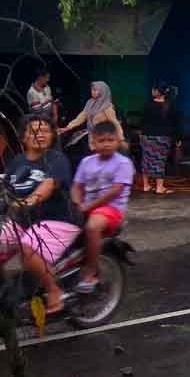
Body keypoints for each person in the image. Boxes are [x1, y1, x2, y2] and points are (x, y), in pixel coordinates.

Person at [0, 114, 79, 314]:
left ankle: (54, 290)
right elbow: (2, 187)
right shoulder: (18, 161)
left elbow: (48, 186)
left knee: (28, 247)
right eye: (33, 131)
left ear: (52, 136)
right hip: (25, 220)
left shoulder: (56, 159)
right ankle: (3, 289)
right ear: (23, 137)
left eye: (45, 131)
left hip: (57, 219)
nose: (39, 135)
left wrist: (27, 201)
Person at [71, 121, 133, 292]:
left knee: (92, 226)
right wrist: (77, 203)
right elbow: (77, 186)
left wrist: (87, 206)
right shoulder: (86, 162)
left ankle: (91, 272)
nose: (106, 144)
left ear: (117, 141)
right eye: (101, 140)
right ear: (93, 142)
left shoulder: (123, 163)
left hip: (111, 209)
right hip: (87, 207)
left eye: (110, 140)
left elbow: (115, 191)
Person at [60, 81, 124, 154]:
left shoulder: (107, 106)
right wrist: (68, 127)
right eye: (92, 90)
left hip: (103, 138)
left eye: (95, 90)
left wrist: (121, 138)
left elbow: (114, 122)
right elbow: (82, 116)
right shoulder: (90, 103)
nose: (92, 92)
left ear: (102, 91)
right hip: (92, 137)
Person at [139, 85, 180, 195]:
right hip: (162, 138)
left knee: (146, 160)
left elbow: (142, 121)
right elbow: (176, 124)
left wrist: (141, 133)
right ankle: (159, 187)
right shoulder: (170, 106)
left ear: (157, 91)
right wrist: (178, 138)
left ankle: (146, 185)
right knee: (159, 162)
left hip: (147, 136)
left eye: (154, 89)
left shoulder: (148, 105)